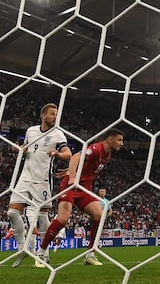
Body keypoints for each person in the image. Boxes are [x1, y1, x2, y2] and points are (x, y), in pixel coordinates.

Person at [36, 128, 124, 266]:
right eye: (119, 140)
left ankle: (90, 254)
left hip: (85, 188)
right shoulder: (95, 148)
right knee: (63, 219)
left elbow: (84, 165)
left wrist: (73, 170)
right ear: (110, 140)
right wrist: (72, 176)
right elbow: (76, 157)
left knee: (99, 216)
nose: (121, 143)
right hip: (71, 186)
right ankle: (41, 252)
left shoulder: (107, 155)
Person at [7, 103, 71, 267]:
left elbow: (67, 153)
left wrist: (57, 153)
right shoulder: (31, 131)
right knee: (12, 213)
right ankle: (22, 249)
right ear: (43, 116)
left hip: (42, 180)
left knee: (42, 217)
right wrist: (19, 149)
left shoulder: (58, 134)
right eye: (52, 114)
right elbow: (28, 149)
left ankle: (44, 254)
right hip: (25, 178)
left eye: (56, 114)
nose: (55, 117)